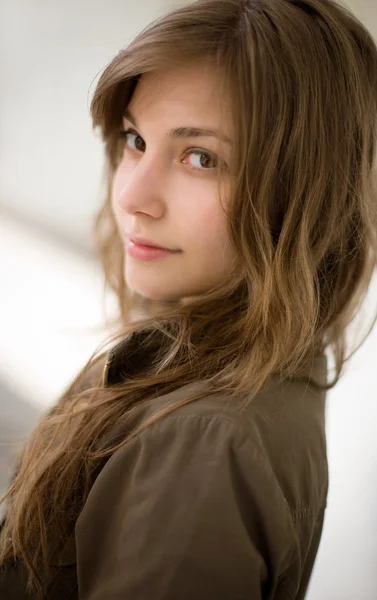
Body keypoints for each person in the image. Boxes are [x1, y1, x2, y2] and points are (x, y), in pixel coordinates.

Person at [1, 0, 377, 598]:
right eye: (135, 139)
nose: (133, 195)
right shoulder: (251, 371)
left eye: (200, 157)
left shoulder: (205, 441)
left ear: (302, 188)